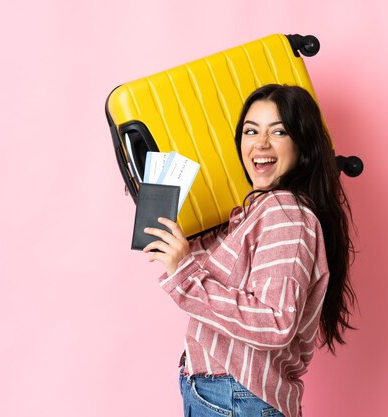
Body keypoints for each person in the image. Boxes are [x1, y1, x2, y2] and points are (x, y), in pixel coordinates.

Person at [142, 84, 356, 417]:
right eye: (250, 130)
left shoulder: (286, 215)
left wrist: (184, 276)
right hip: (222, 396)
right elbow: (216, 273)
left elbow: (275, 322)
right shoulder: (258, 212)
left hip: (233, 399)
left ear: (303, 145)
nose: (260, 144)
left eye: (279, 131)